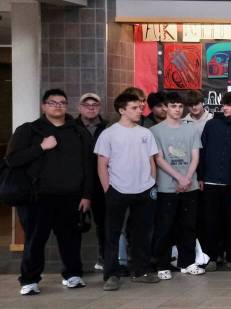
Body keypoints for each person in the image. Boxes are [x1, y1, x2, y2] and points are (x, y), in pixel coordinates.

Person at [8, 89, 93, 295]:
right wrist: (40, 147)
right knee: (35, 239)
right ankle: (29, 280)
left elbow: (88, 166)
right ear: (43, 106)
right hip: (37, 197)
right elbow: (12, 160)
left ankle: (72, 275)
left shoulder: (78, 131)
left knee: (70, 239)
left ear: (67, 106)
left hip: (71, 196)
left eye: (62, 102)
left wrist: (86, 195)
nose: (58, 106)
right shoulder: (29, 130)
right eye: (52, 102)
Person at [95, 92, 161, 290]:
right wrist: (108, 189)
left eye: (140, 107)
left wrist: (152, 183)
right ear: (122, 110)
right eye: (134, 108)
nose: (139, 111)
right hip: (117, 190)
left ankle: (140, 271)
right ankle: (111, 275)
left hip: (144, 190)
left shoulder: (145, 133)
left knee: (142, 233)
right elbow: (102, 165)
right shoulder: (109, 134)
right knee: (113, 234)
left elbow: (152, 160)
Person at [149, 92, 204, 280]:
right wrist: (178, 178)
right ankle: (162, 264)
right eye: (173, 106)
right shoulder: (155, 131)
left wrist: (187, 178)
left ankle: (187, 262)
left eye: (180, 106)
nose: (177, 109)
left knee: (188, 226)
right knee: (165, 226)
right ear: (166, 108)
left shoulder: (191, 129)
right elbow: (158, 158)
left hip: (190, 186)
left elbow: (195, 156)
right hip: (166, 187)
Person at [197, 91, 231, 272]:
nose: (225, 107)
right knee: (210, 222)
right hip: (210, 181)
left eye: (230, 104)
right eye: (224, 104)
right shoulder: (212, 125)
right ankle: (210, 257)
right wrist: (200, 176)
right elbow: (201, 151)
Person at [75, 93, 109, 272]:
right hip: (77, 186)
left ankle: (105, 259)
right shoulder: (71, 128)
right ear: (79, 108)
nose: (90, 107)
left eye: (94, 104)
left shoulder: (108, 127)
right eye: (86, 104)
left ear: (100, 107)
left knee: (105, 225)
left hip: (103, 184)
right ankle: (74, 267)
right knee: (74, 226)